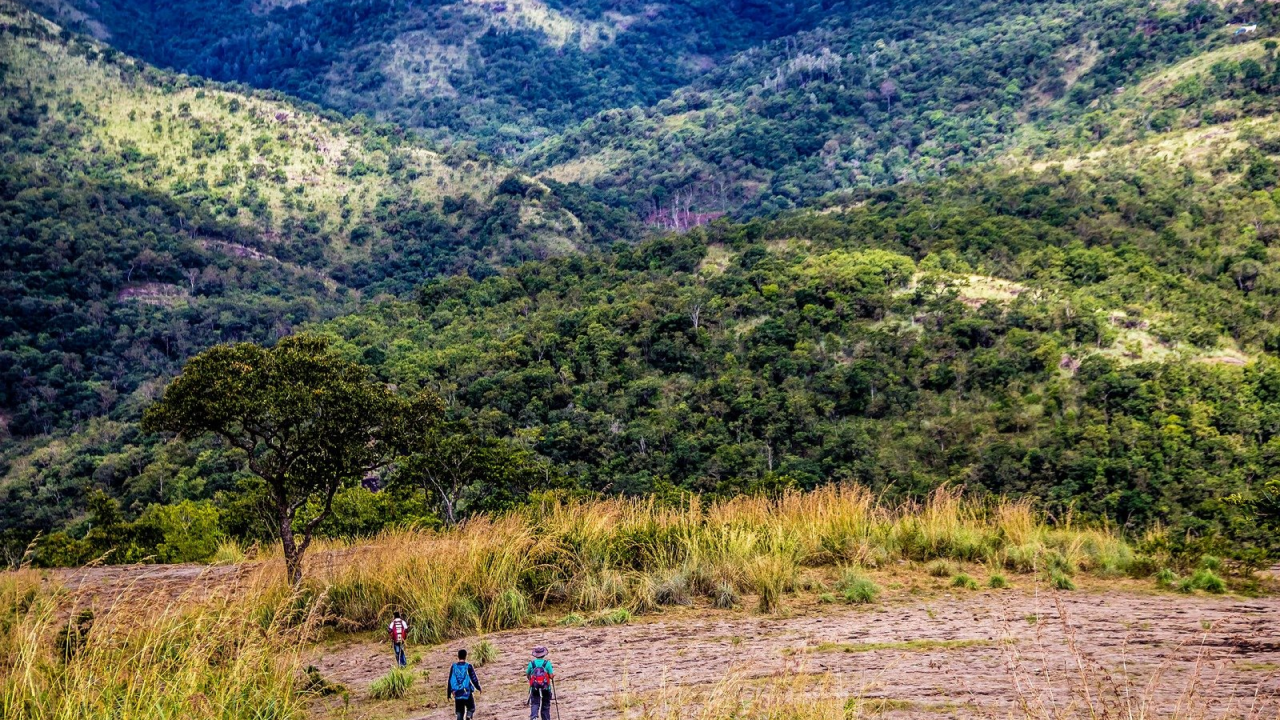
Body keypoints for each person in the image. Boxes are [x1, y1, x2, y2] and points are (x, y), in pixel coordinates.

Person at [447, 648, 482, 720]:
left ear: (458, 656)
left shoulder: (453, 666)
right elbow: (473, 678)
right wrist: (478, 687)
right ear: (465, 656)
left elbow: (450, 679)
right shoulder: (468, 666)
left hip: (457, 692)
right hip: (467, 692)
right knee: (471, 708)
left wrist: (449, 693)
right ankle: (469, 716)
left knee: (459, 711)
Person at [526, 645, 555, 720]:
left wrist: (531, 681)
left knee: (535, 703)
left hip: (534, 688)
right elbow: (551, 676)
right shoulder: (547, 663)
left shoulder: (531, 664)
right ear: (544, 654)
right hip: (546, 688)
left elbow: (528, 674)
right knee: (545, 705)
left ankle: (534, 717)